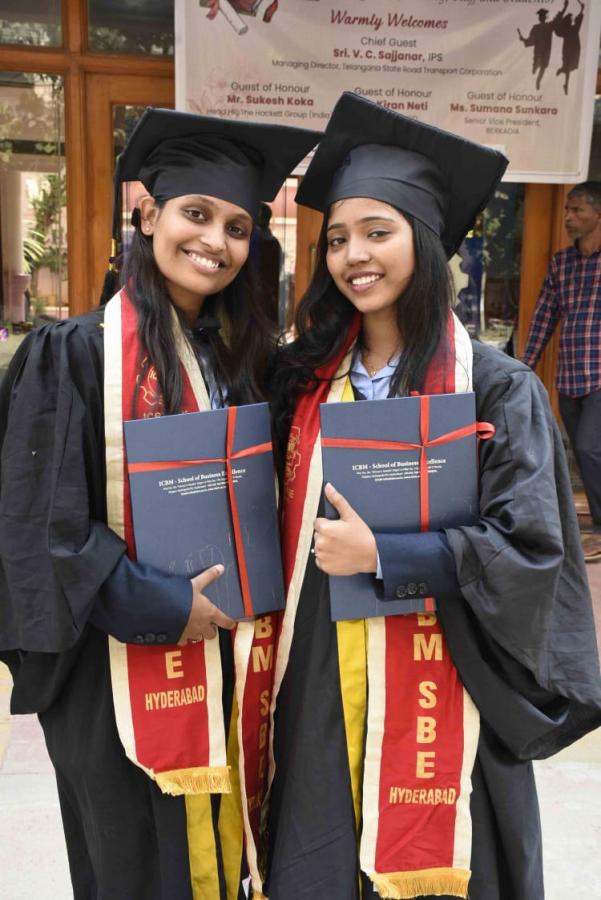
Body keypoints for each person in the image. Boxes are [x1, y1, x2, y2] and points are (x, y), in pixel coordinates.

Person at [263, 92, 601, 900]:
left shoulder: (496, 387)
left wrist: (386, 555)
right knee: (321, 845)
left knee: (448, 859)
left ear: (426, 239)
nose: (353, 255)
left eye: (377, 232)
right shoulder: (303, 381)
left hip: (448, 669)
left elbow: (532, 549)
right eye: (338, 239)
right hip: (321, 671)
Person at [0, 107, 317, 899]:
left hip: (226, 650)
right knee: (136, 861)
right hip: (110, 660)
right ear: (148, 216)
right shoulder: (74, 353)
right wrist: (162, 604)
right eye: (197, 214)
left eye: (238, 227)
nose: (215, 241)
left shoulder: (244, 361)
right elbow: (40, 522)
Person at [522, 181, 601, 562]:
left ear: (598, 215)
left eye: (577, 210)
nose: (568, 217)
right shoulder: (561, 263)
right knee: (584, 450)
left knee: (589, 447)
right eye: (566, 210)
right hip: (571, 377)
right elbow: (544, 317)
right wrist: (524, 368)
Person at [517, 10, 554, 91]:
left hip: (545, 51)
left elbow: (530, 41)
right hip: (540, 51)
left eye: (541, 16)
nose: (541, 18)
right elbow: (531, 40)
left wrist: (523, 39)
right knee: (541, 65)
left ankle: (538, 80)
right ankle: (535, 67)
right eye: (540, 16)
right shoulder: (538, 27)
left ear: (543, 17)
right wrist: (523, 39)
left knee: (543, 67)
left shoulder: (549, 26)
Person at [553, 0, 585, 95]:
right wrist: (566, 7)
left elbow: (578, 19)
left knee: (568, 67)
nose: (572, 20)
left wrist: (582, 9)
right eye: (570, 19)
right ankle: (565, 81)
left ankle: (563, 74)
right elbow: (559, 21)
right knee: (568, 66)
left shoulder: (572, 28)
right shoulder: (569, 29)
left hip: (573, 50)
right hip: (569, 50)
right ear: (568, 21)